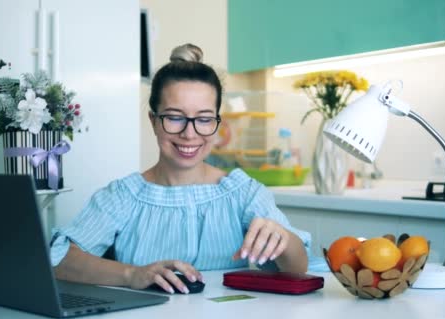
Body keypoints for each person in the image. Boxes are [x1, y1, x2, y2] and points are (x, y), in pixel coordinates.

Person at [51, 43, 312, 294]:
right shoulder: (121, 196)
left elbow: (298, 269)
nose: (190, 134)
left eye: (204, 119)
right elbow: (59, 261)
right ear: (153, 120)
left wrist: (285, 240)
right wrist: (132, 274)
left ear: (217, 123)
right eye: (175, 117)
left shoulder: (244, 193)